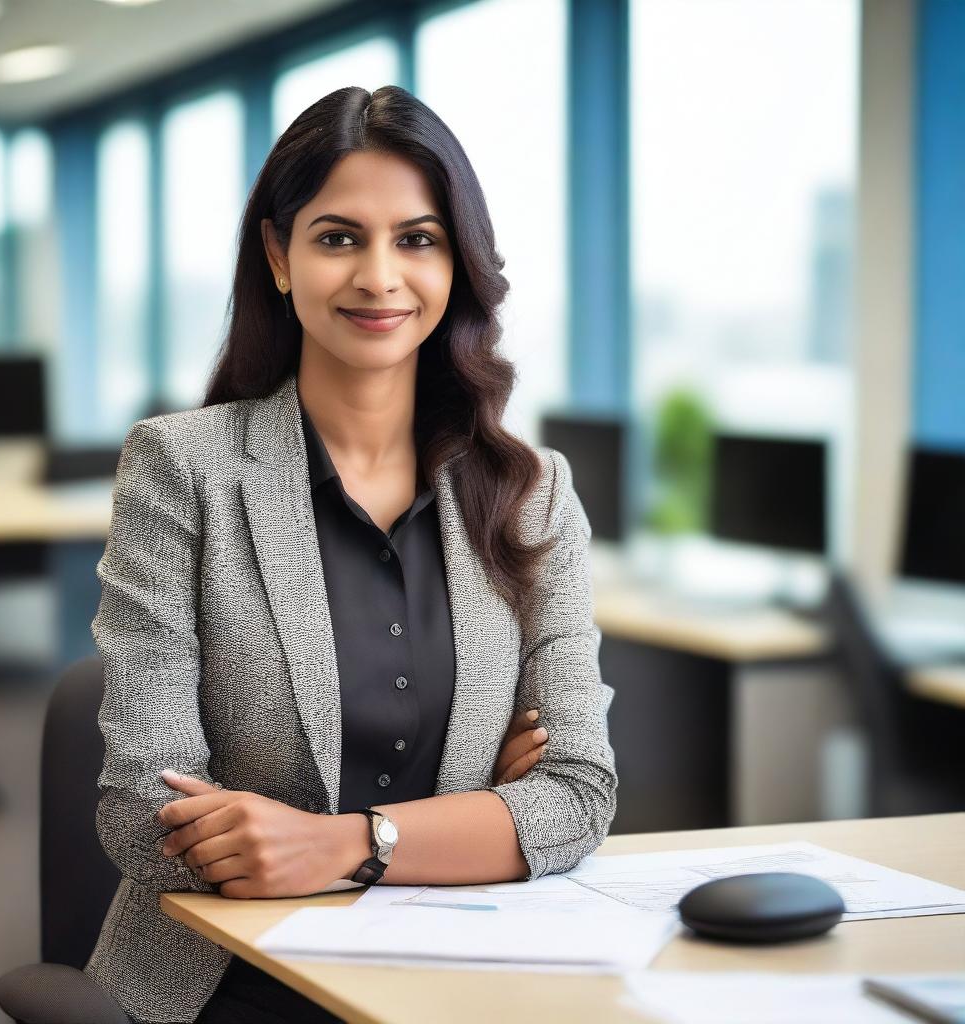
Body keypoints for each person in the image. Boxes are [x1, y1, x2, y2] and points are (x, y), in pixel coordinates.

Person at [83, 84, 618, 1024]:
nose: (380, 277)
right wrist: (477, 815)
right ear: (278, 256)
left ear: (458, 263)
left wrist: (344, 843)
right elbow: (141, 809)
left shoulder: (534, 493)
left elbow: (578, 796)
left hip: (459, 974)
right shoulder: (182, 469)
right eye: (338, 237)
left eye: (417, 238)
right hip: (233, 983)